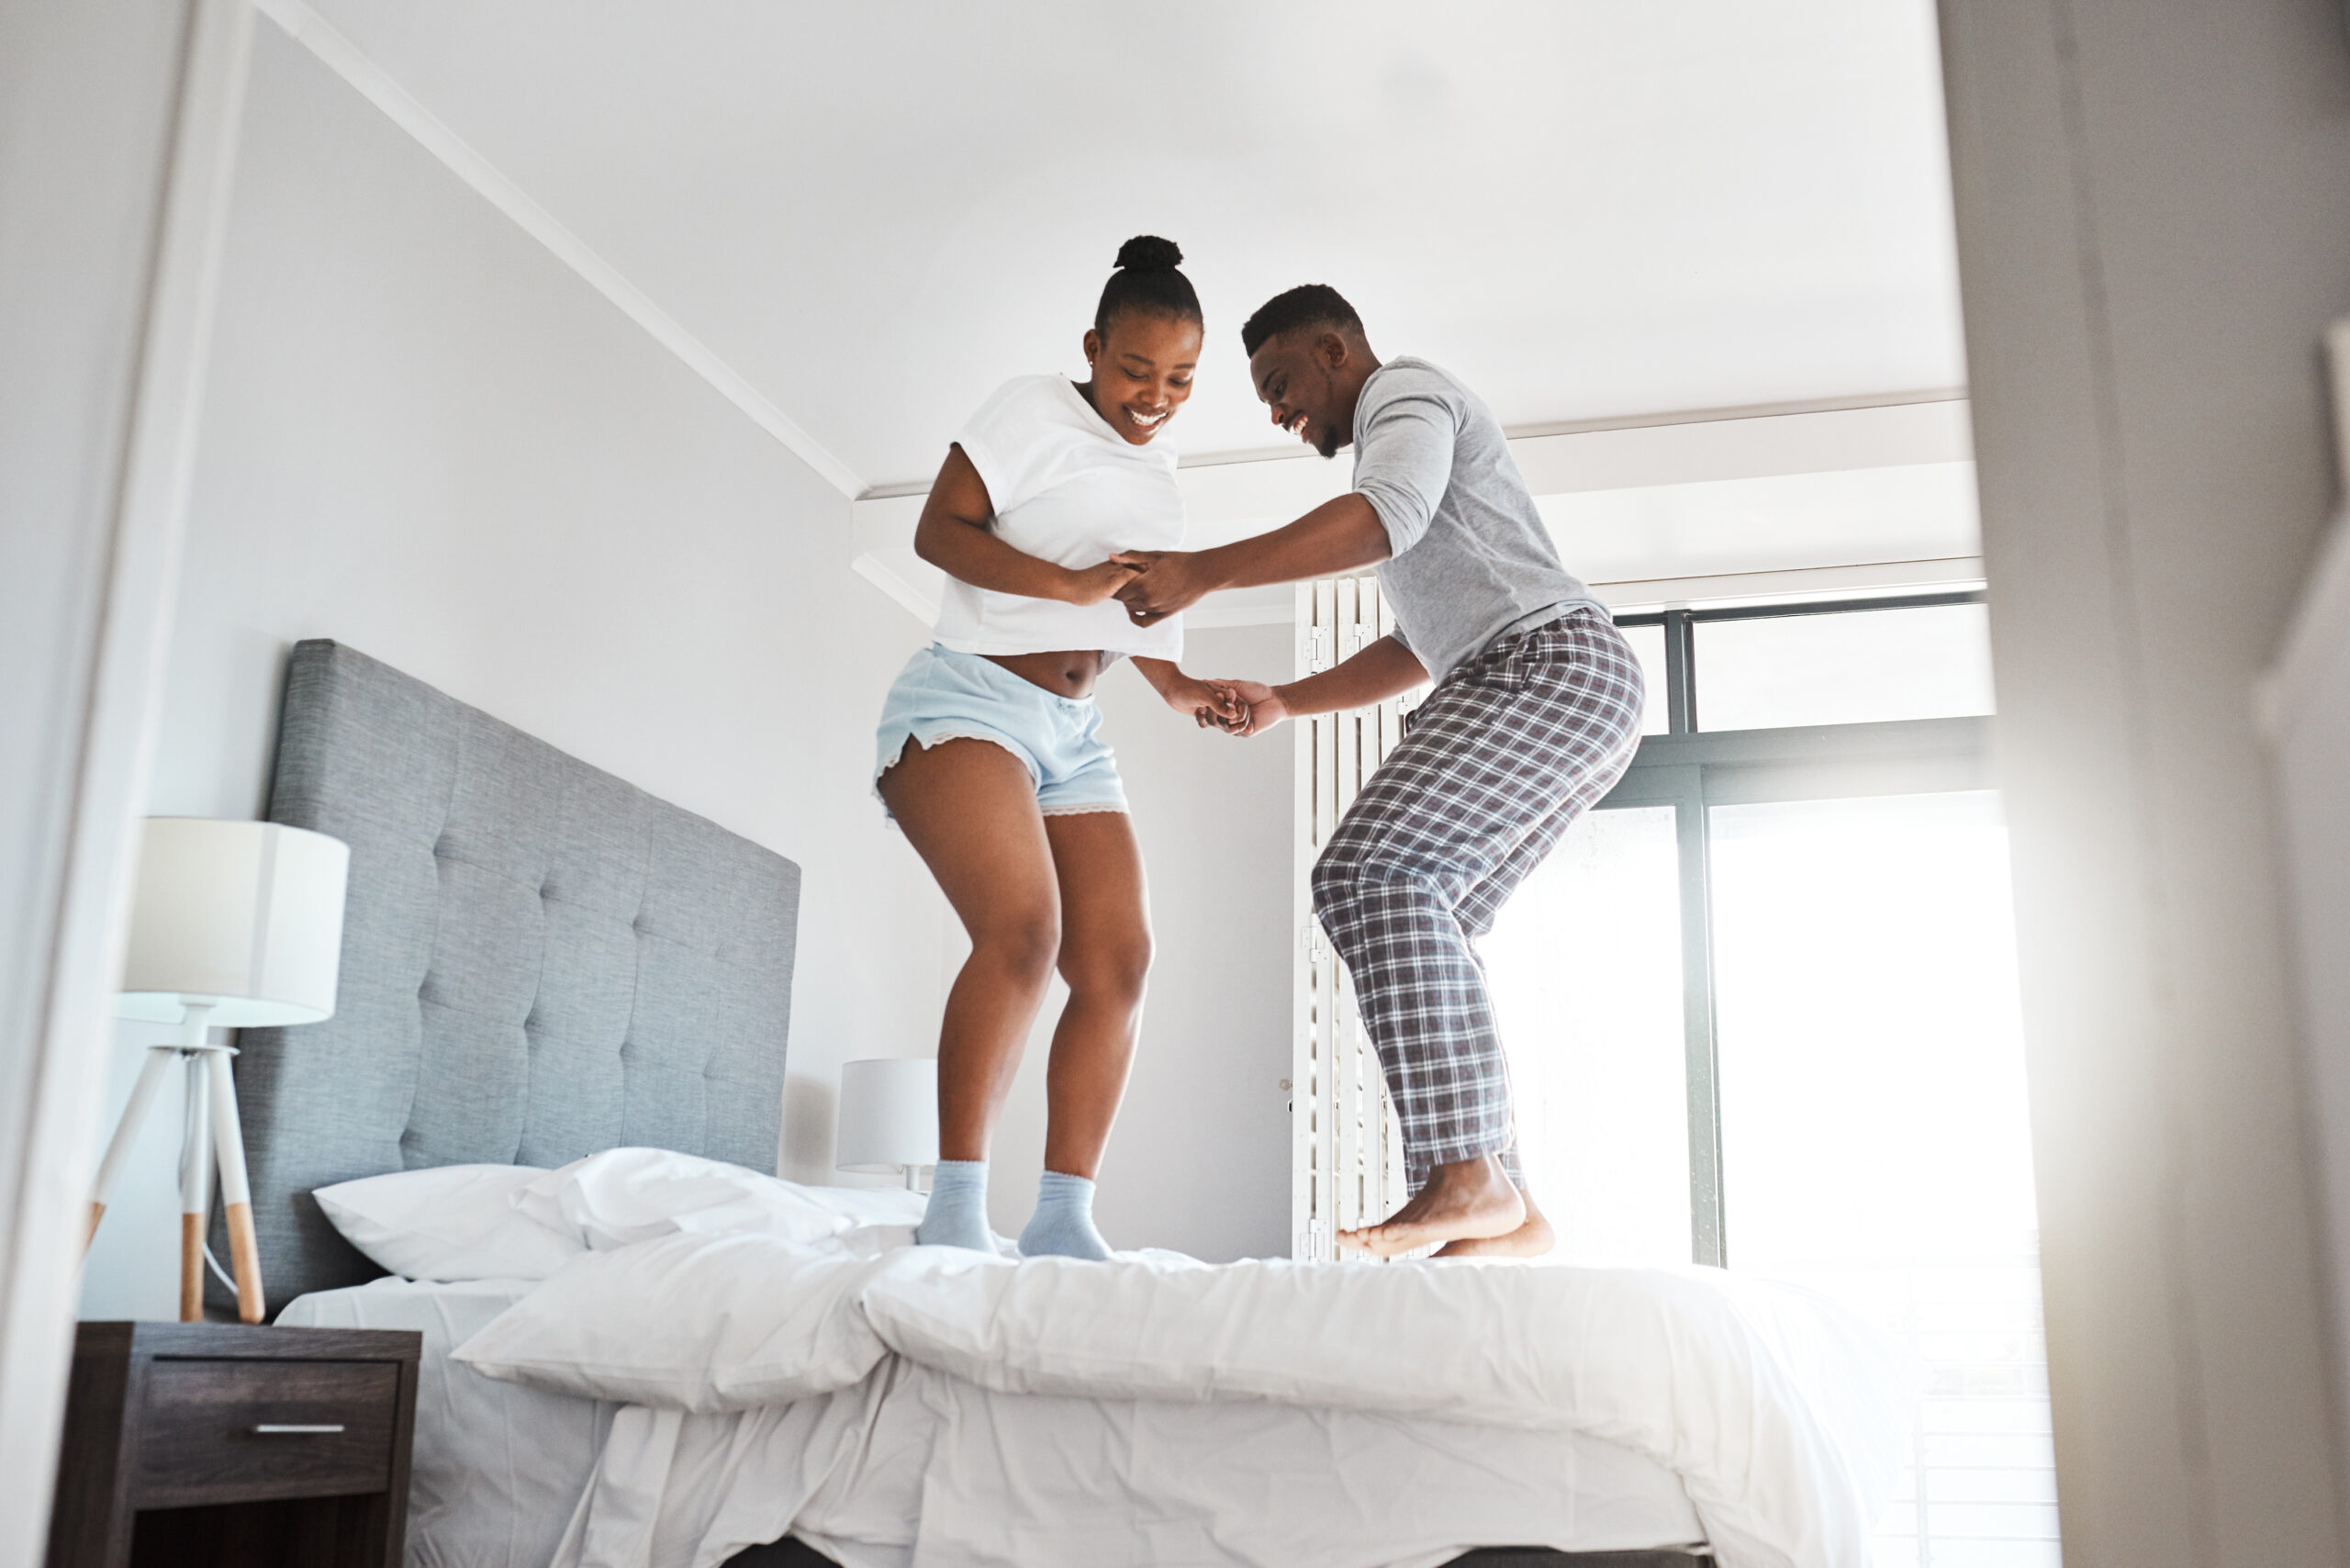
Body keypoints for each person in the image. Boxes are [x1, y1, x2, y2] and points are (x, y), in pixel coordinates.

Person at [1113, 285, 1644, 1259]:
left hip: (1544, 666)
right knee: (1434, 914)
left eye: (1279, 384)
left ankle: (1466, 1171)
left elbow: (1381, 521)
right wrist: (1284, 701)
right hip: (1557, 676)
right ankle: (1510, 1209)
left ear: (1333, 349)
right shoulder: (1402, 460)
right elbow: (1418, 641)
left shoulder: (1406, 396)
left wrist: (1202, 570)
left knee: (1368, 874)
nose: (1277, 413)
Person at [878, 236, 1239, 1260]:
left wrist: (1182, 688)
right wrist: (1072, 588)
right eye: (1135, 370)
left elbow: (1137, 619)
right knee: (1024, 933)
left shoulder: (1161, 470)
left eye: (1179, 379)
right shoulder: (1031, 408)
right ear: (1092, 346)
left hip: (1073, 732)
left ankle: (1062, 1217)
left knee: (1119, 963)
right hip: (967, 701)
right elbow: (938, 533)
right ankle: (952, 1206)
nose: (1155, 396)